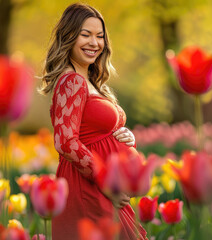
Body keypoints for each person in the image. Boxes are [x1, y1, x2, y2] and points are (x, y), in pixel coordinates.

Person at [40, 3, 147, 240]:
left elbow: (94, 131)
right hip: (89, 188)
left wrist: (125, 135)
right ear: (68, 36)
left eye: (99, 36)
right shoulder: (72, 81)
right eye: (85, 35)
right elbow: (66, 142)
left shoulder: (88, 80)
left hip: (100, 188)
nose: (94, 43)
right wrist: (106, 179)